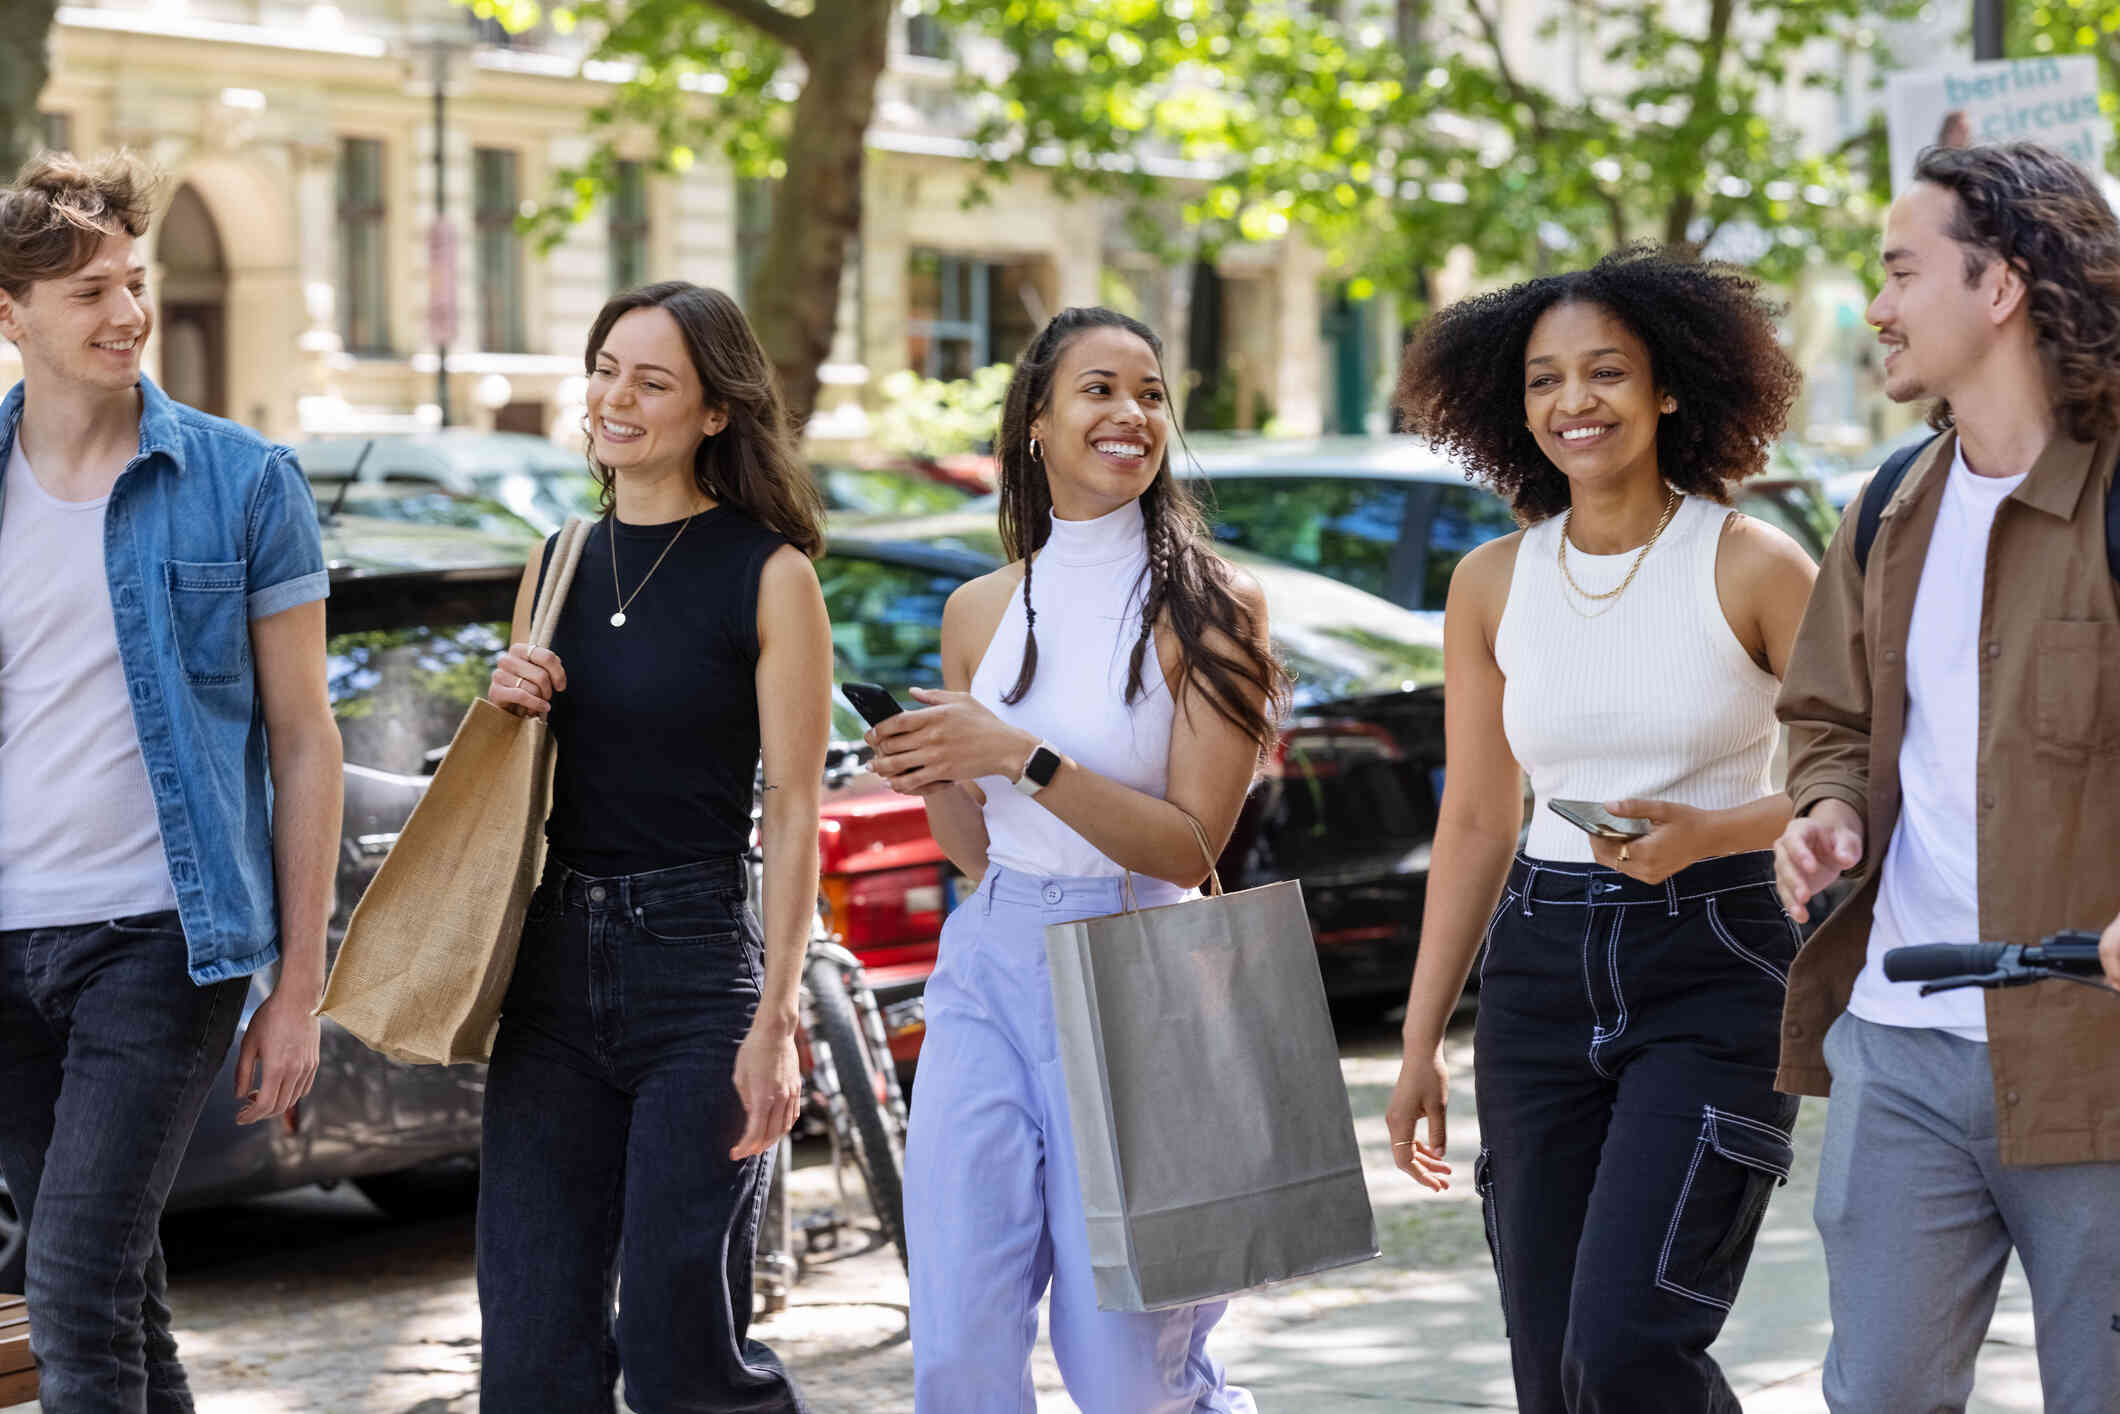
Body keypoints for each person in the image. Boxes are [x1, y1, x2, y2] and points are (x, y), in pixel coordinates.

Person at [1383, 247, 1820, 1413]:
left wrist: (1714, 831)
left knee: (1626, 1354)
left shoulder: (1750, 565)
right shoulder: (1488, 582)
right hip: (1535, 972)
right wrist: (1421, 1040)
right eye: (1542, 381)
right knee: (1551, 1376)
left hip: (1713, 963)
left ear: (1668, 387)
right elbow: (1477, 819)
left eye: (1604, 372)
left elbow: (1872, 771)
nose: (1572, 402)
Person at [866, 306, 1283, 1413]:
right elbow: (973, 848)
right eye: (1097, 389)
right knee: (957, 1337)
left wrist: (1021, 753)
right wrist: (941, 772)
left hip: (1143, 958)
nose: (1129, 413)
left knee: (1123, 1358)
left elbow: (1194, 844)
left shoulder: (1212, 609)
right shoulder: (979, 609)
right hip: (992, 956)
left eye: (1149, 394)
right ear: (1035, 425)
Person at [1773, 141, 2120, 1412]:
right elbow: (1825, 716)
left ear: (2002, 285)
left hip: (2098, 1056)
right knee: (1877, 1397)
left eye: (1898, 270)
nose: (1874, 306)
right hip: (1895, 1043)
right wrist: (1818, 810)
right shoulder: (1882, 506)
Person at [0, 152, 341, 1410]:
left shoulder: (246, 484)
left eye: (132, 282)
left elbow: (306, 737)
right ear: (10, 313)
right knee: (120, 1301)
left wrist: (296, 987)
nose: (126, 314)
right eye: (87, 292)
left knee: (72, 1292)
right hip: (6, 942)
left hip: (158, 938)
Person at [477, 281, 830, 1413]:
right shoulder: (559, 560)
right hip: (552, 972)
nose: (616, 397)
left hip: (695, 971)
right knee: (532, 1353)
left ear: (715, 411)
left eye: (653, 379)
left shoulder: (768, 573)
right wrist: (505, 699)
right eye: (606, 368)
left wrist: (775, 1019)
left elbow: (789, 808)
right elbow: (512, 783)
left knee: (680, 1343)